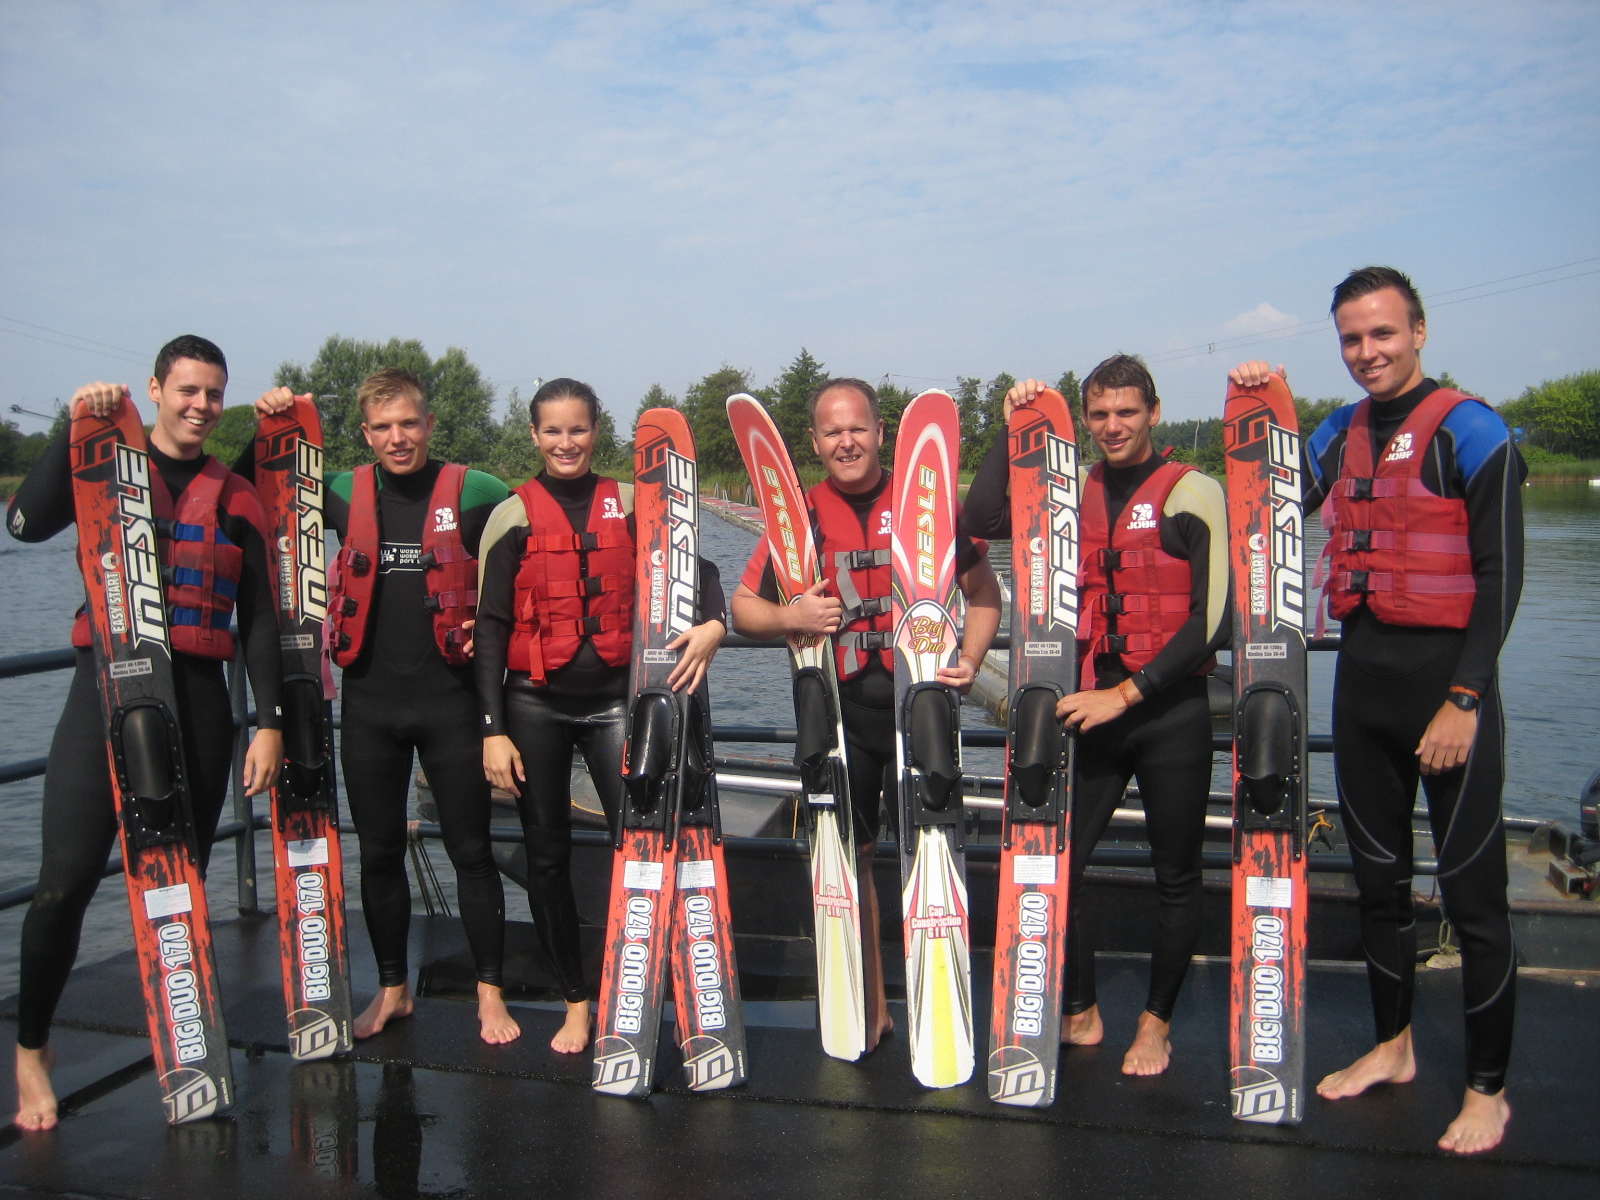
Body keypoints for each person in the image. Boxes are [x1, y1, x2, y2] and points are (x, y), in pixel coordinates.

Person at [1230, 265, 1524, 1155]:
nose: (1368, 352)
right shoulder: (1337, 431)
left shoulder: (1472, 430)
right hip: (1364, 690)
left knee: (1474, 899)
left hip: (1449, 691)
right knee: (1379, 888)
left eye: (1383, 333)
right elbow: (1268, 502)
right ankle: (1393, 1047)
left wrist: (1465, 700)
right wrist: (1263, 410)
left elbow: (1502, 577)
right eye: (1352, 338)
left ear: (1419, 332)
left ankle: (1487, 1089)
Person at [7, 335, 285, 1131]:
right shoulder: (104, 465)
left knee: (179, 886)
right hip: (103, 696)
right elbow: (24, 523)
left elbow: (259, 620)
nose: (202, 406)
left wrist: (269, 722)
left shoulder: (235, 496)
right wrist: (72, 430)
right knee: (63, 882)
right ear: (155, 390)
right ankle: (32, 1049)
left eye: (214, 394)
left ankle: (187, 1044)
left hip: (198, 702)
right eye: (188, 390)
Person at [963, 355, 1230, 1076]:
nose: (1114, 426)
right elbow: (981, 520)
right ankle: (1081, 1008)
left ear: (1154, 412)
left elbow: (1214, 621)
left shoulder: (1194, 491)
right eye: (1101, 414)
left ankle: (1156, 1023)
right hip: (1091, 707)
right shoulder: (1068, 491)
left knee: (1176, 875)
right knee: (1060, 864)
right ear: (1085, 419)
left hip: (1170, 711)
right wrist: (1013, 429)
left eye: (1127, 412)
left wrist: (1129, 693)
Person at [730, 377, 1002, 1050]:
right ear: (815, 441)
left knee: (929, 855)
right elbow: (742, 608)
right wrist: (790, 616)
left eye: (858, 428)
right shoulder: (799, 517)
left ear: (882, 433)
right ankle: (872, 1006)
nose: (846, 442)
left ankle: (937, 1008)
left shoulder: (927, 505)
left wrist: (969, 659)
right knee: (851, 859)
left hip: (918, 712)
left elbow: (984, 594)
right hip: (842, 715)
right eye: (832, 432)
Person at [251, 370, 516, 1045]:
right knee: (377, 853)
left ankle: (490, 993)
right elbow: (258, 491)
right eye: (383, 427)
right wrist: (271, 425)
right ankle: (393, 989)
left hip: (452, 705)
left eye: (408, 424)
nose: (398, 438)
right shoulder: (342, 491)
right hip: (370, 709)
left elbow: (541, 542)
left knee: (471, 852)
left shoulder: (478, 490)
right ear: (366, 434)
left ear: (429, 424)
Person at [474, 378, 725, 1053]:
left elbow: (698, 572)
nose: (566, 443)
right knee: (546, 858)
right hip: (534, 705)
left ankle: (644, 992)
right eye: (553, 431)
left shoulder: (635, 504)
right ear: (535, 435)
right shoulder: (511, 516)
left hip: (617, 702)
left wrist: (714, 624)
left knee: (643, 845)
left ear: (596, 431)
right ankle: (577, 1001)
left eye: (578, 429)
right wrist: (492, 731)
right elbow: (491, 629)